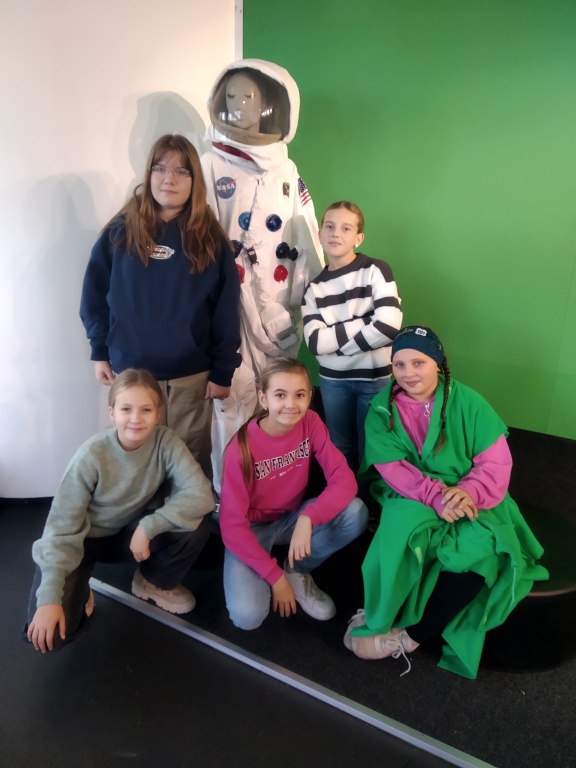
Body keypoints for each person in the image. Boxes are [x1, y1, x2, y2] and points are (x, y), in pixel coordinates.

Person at [344, 326, 548, 679]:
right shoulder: (382, 410)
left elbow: (496, 463)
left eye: (418, 363)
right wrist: (435, 496)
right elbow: (392, 468)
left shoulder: (469, 402)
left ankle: (409, 637)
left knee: (482, 549)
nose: (408, 373)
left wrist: (467, 492)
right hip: (411, 492)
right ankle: (378, 615)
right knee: (399, 534)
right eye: (399, 365)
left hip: (471, 492)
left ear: (438, 363)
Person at [80, 134, 241, 480]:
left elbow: (226, 309)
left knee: (188, 465)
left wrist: (223, 370)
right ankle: (140, 516)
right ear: (149, 173)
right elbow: (93, 296)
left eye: (182, 171)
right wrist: (99, 350)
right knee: (135, 464)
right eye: (160, 169)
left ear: (194, 181)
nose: (169, 179)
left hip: (191, 377)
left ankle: (188, 517)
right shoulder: (120, 231)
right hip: (132, 374)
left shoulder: (210, 238)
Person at [24, 369, 214, 653]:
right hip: (82, 542)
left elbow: (201, 494)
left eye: (146, 409)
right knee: (53, 635)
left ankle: (152, 582)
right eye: (126, 409)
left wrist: (149, 526)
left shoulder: (166, 442)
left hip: (129, 533)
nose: (136, 419)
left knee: (195, 525)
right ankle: (80, 588)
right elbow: (60, 529)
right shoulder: (91, 455)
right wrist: (50, 596)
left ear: (158, 413)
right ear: (112, 413)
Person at [201, 59, 324, 493]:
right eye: (232, 96)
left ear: (271, 104)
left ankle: (276, 490)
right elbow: (199, 236)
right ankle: (229, 493)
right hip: (231, 308)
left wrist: (309, 295)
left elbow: (306, 233)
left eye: (250, 97)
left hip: (277, 308)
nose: (239, 105)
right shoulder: (210, 163)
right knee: (232, 402)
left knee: (279, 401)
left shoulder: (285, 170)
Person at [219, 357, 369, 630]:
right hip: (251, 528)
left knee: (355, 512)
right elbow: (231, 526)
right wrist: (274, 578)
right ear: (263, 399)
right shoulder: (239, 450)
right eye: (280, 395)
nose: (290, 404)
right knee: (247, 616)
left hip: (291, 517)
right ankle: (279, 572)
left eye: (299, 395)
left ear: (310, 396)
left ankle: (297, 569)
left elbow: (345, 479)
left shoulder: (310, 421)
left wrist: (308, 517)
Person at [301, 201, 402, 482]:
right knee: (340, 447)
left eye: (346, 228)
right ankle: (344, 498)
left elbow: (388, 326)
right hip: (334, 383)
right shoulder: (314, 289)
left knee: (374, 447)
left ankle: (370, 501)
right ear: (320, 234)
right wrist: (365, 321)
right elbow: (315, 344)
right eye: (330, 226)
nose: (336, 233)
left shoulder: (375, 270)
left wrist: (336, 343)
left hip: (376, 378)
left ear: (358, 238)